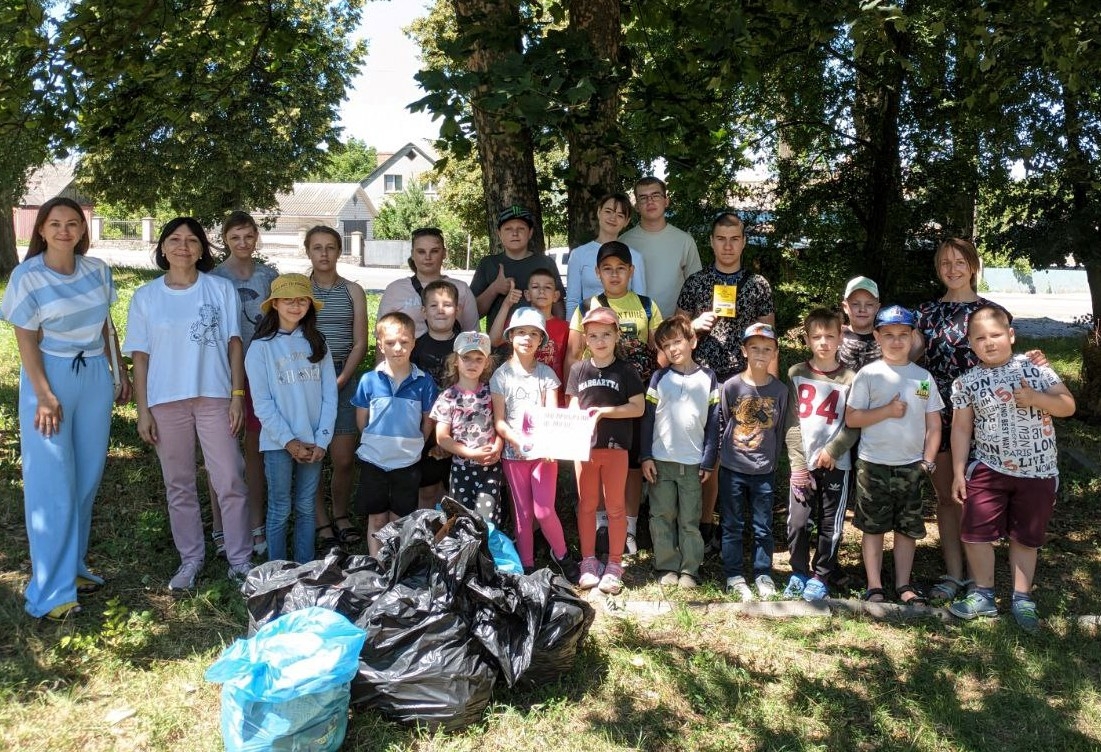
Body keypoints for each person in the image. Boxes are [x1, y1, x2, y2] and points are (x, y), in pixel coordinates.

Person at [1, 196, 130, 619]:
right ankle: (50, 594)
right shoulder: (27, 276)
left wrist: (119, 372)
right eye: (54, 223)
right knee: (52, 484)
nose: (63, 230)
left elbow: (107, 326)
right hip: (50, 377)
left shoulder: (97, 270)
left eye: (72, 223)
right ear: (41, 229)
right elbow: (25, 341)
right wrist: (43, 393)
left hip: (94, 375)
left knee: (86, 479)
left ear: (82, 230)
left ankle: (72, 568)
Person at [125, 217, 252, 590]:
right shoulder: (145, 296)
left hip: (214, 397)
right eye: (175, 240)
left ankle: (240, 558)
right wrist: (142, 409)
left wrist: (237, 396)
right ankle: (191, 560)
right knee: (178, 484)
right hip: (166, 402)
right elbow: (141, 358)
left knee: (229, 477)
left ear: (202, 249)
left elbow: (234, 344)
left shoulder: (219, 289)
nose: (183, 246)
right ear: (162, 248)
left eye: (192, 240)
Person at [947, 305, 1075, 632]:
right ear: (970, 344)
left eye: (996, 335)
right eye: (981, 338)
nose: (990, 342)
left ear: (1011, 335)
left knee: (1026, 536)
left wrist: (1036, 398)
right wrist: (959, 470)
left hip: (1038, 471)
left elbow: (1067, 405)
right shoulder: (966, 383)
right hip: (989, 468)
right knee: (975, 531)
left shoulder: (1035, 368)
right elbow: (961, 429)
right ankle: (983, 594)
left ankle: (1022, 598)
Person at [674, 211, 775, 551]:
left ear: (744, 242)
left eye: (734, 239)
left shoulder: (758, 285)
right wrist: (694, 326)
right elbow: (676, 332)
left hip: (745, 381)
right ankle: (704, 525)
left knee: (746, 450)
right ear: (712, 241)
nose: (728, 245)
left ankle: (741, 528)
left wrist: (769, 385)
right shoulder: (697, 283)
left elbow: (769, 336)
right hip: (702, 378)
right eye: (721, 238)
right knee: (708, 455)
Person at [567, 240, 663, 555]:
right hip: (593, 399)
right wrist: (570, 405)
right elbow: (573, 355)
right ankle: (600, 523)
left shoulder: (647, 305)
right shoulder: (585, 307)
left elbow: (659, 350)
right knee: (595, 457)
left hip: (635, 397)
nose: (614, 274)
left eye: (621, 268)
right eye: (607, 269)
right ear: (597, 272)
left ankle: (630, 527)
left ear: (631, 271)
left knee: (632, 462)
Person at [846, 305, 943, 604]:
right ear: (877, 337)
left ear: (913, 336)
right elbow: (852, 418)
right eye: (888, 335)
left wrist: (927, 460)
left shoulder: (922, 377)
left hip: (911, 466)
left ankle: (903, 584)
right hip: (873, 464)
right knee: (873, 528)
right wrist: (887, 411)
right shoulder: (868, 375)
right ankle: (874, 585)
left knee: (907, 529)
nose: (896, 341)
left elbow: (934, 423)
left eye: (903, 334)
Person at [245, 274, 338, 565]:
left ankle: (305, 566)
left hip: (314, 442)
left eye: (301, 300)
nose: (295, 306)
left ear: (310, 305)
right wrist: (289, 441)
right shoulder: (261, 348)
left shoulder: (317, 343)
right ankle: (277, 569)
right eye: (288, 300)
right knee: (280, 507)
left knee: (306, 506)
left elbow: (329, 396)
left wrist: (322, 439)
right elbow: (262, 403)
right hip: (277, 442)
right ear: (274, 305)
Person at [209, 210, 278, 558]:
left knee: (254, 452)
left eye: (248, 236)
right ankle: (221, 526)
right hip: (221, 374)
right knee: (221, 455)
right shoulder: (214, 278)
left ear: (256, 238)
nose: (242, 243)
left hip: (260, 374)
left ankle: (255, 522)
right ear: (225, 239)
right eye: (235, 237)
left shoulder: (268, 276)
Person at [490, 307, 574, 576]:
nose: (527, 338)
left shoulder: (547, 375)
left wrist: (548, 444)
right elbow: (500, 421)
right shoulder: (500, 376)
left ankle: (562, 554)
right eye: (522, 332)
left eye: (534, 334)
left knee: (544, 510)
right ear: (511, 336)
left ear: (541, 340)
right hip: (513, 456)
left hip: (543, 455)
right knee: (522, 514)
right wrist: (514, 440)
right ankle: (526, 564)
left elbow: (551, 415)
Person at [782, 308, 859, 601]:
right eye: (817, 336)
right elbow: (791, 423)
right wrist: (798, 465)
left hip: (837, 464)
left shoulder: (851, 378)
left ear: (841, 337)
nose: (823, 342)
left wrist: (832, 450)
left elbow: (853, 424)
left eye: (830, 335)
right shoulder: (796, 374)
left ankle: (821, 575)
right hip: (804, 464)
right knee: (798, 521)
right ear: (807, 339)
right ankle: (798, 572)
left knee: (831, 523)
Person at [568, 307, 646, 593]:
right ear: (586, 339)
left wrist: (603, 412)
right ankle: (588, 561)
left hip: (616, 449)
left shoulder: (626, 370)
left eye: (606, 334)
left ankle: (614, 563)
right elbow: (573, 407)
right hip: (584, 449)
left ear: (616, 337)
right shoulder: (578, 369)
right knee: (587, 505)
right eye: (593, 335)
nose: (600, 340)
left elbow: (638, 407)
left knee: (615, 507)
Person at [640, 315, 720, 590]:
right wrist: (645, 456)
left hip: (693, 462)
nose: (673, 349)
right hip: (661, 461)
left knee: (690, 519)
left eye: (677, 342)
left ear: (692, 341)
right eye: (666, 346)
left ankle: (689, 569)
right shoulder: (659, 378)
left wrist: (708, 460)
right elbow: (647, 419)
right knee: (661, 515)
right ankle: (666, 565)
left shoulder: (709, 379)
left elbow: (713, 424)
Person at [351, 311, 437, 556]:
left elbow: (427, 422)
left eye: (404, 342)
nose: (397, 348)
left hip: (408, 462)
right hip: (373, 460)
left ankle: (397, 566)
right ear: (380, 344)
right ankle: (377, 565)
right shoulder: (368, 380)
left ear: (414, 342)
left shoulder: (424, 382)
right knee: (377, 519)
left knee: (401, 520)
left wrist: (415, 444)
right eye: (390, 343)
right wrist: (375, 442)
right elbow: (362, 420)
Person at [305, 226, 368, 549]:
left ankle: (341, 514)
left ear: (339, 252)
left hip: (343, 374)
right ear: (309, 252)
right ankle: (321, 521)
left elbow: (360, 342)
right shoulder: (300, 289)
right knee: (312, 454)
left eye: (330, 247)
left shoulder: (353, 291)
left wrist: (342, 378)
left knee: (343, 457)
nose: (324, 253)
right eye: (317, 248)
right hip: (306, 379)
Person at [717, 323, 789, 601]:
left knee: (763, 525)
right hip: (732, 468)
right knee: (732, 524)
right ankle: (733, 574)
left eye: (767, 348)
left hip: (764, 471)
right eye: (754, 347)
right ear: (744, 350)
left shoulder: (781, 391)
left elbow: (780, 428)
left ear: (775, 353)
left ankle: (763, 573)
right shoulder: (732, 386)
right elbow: (724, 420)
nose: (761, 353)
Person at [430, 332, 504, 524]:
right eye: (466, 358)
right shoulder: (448, 397)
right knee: (462, 521)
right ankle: (467, 554)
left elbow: (502, 423)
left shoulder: (492, 391)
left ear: (487, 363)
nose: (473, 364)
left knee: (487, 521)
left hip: (490, 467)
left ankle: (486, 553)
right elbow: (442, 437)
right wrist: (471, 454)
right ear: (455, 360)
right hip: (461, 468)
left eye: (479, 359)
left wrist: (498, 445)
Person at [470, 205, 565, 328]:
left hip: (539, 341)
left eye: (521, 228)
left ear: (530, 233)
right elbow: (473, 313)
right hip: (498, 344)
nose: (515, 233)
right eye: (508, 229)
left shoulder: (545, 263)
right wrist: (494, 288)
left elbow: (558, 307)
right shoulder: (488, 263)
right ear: (499, 234)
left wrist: (556, 337)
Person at [620, 176, 702, 320]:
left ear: (666, 201)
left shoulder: (684, 241)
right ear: (637, 206)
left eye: (655, 195)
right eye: (643, 198)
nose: (650, 201)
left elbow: (697, 288)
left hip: (674, 329)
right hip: (634, 327)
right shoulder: (623, 243)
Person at [411, 279, 461, 509]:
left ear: (458, 309)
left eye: (448, 305)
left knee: (456, 493)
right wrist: (429, 439)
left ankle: (456, 541)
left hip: (461, 434)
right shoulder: (415, 348)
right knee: (427, 490)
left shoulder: (466, 348)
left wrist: (450, 443)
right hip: (425, 431)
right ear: (423, 311)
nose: (441, 310)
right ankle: (425, 539)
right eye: (434, 306)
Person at [377, 226, 478, 337]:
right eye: (421, 252)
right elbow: (382, 338)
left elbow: (472, 336)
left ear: (444, 253)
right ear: (413, 254)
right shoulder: (395, 290)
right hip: (406, 354)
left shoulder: (461, 289)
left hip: (451, 353)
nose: (428, 257)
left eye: (434, 251)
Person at [489, 267, 570, 402]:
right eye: (535, 286)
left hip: (554, 396)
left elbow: (569, 362)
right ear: (527, 294)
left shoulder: (565, 327)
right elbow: (494, 340)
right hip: (520, 394)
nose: (542, 291)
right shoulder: (518, 322)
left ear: (556, 296)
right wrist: (506, 304)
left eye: (547, 287)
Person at [565, 192, 647, 321]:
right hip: (589, 329)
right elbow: (573, 301)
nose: (613, 218)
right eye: (608, 211)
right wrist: (572, 334)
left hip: (626, 330)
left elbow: (641, 301)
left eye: (620, 215)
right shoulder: (579, 255)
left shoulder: (635, 257)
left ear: (627, 221)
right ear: (599, 212)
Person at [838, 276, 882, 372]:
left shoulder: (885, 339)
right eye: (855, 304)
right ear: (845, 307)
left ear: (877, 308)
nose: (862, 309)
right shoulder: (836, 336)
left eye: (869, 304)